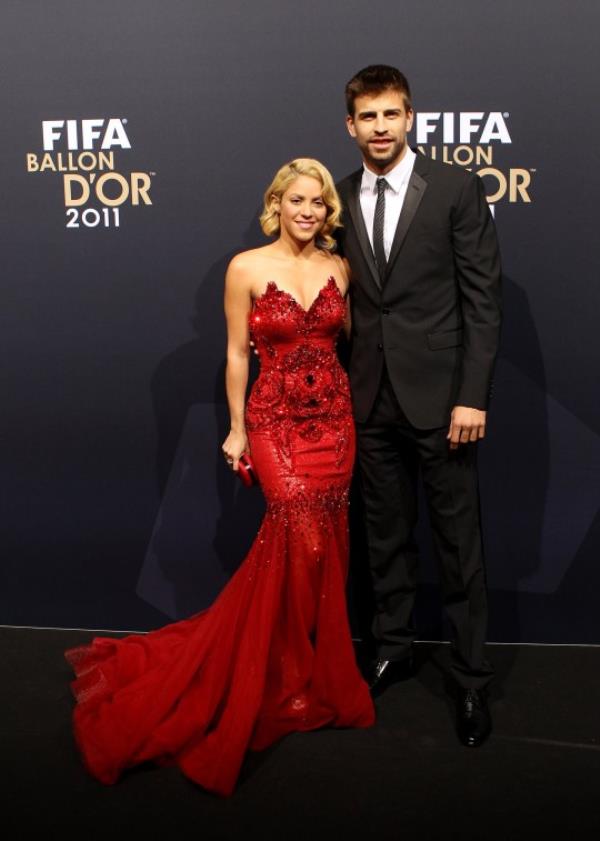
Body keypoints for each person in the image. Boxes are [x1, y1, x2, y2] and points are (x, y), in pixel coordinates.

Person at [64, 158, 374, 796]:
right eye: (297, 200)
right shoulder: (246, 267)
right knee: (296, 537)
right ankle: (270, 672)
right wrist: (236, 429)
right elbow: (236, 352)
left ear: (328, 212)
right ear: (277, 204)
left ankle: (307, 675)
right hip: (274, 419)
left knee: (327, 550)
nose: (309, 211)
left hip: (334, 424)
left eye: (318, 202)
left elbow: (344, 348)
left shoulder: (339, 267)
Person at [336, 65, 502, 747]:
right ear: (350, 126)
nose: (379, 127)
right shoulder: (338, 196)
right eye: (367, 117)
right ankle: (393, 644)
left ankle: (469, 679)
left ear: (411, 119)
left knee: (459, 546)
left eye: (390, 114)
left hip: (443, 401)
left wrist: (472, 395)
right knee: (385, 538)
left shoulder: (457, 188)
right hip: (369, 397)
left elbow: (481, 301)